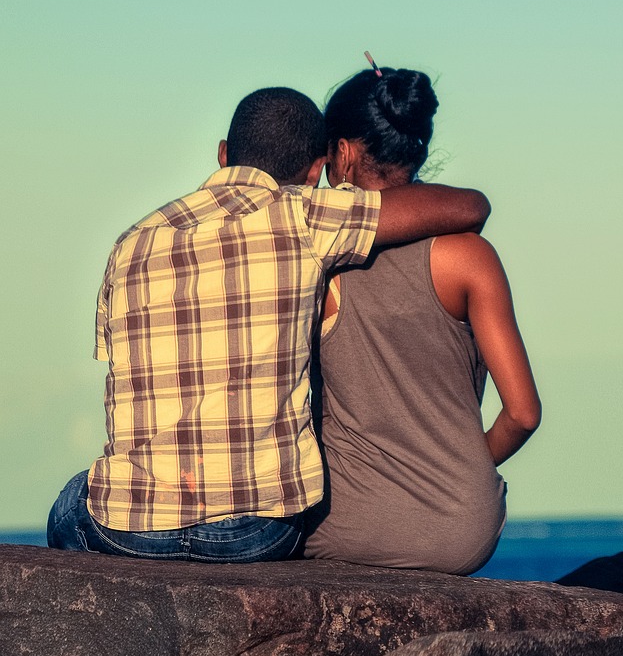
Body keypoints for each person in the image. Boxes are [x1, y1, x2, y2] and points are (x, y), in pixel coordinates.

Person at [47, 85, 490, 562]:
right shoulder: (304, 215)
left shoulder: (131, 242)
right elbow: (470, 207)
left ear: (223, 155)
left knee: (73, 498)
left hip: (131, 530)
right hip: (256, 533)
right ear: (316, 170)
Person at [303, 67, 540, 574]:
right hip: (464, 530)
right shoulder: (471, 256)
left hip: (350, 522)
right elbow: (523, 414)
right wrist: (461, 470)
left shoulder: (319, 259)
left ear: (342, 154)